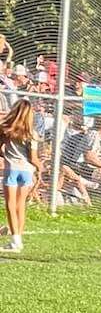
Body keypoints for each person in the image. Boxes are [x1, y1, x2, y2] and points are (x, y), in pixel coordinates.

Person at [0, 98, 41, 252]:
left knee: (10, 205)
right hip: (27, 171)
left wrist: (5, 156)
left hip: (12, 169)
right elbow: (33, 158)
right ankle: (18, 239)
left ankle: (15, 241)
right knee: (20, 205)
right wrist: (39, 168)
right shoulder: (32, 134)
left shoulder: (6, 130)